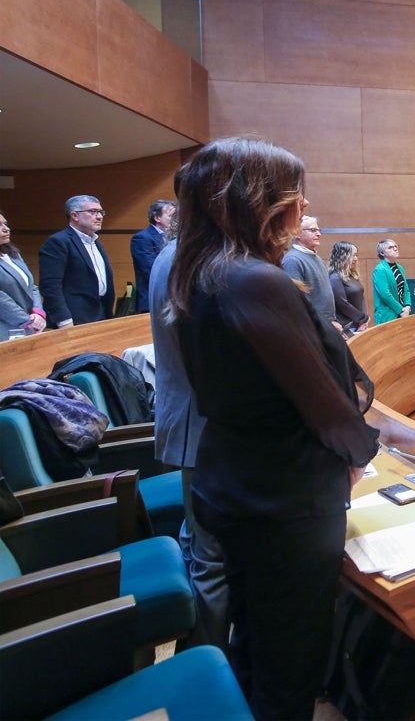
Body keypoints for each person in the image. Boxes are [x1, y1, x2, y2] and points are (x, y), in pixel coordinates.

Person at [165, 137, 380, 718]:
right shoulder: (254, 281)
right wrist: (361, 450)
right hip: (285, 498)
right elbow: (320, 397)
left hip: (235, 482)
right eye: (295, 193)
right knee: (291, 667)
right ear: (259, 201)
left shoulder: (201, 269)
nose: (303, 206)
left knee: (255, 644)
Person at [149, 230, 228, 653]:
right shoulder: (197, 262)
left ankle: (200, 648)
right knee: (211, 559)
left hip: (192, 425)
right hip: (203, 430)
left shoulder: (176, 253)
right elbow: (214, 366)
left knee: (198, 543)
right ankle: (210, 662)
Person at [37, 194, 114, 327]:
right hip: (73, 318)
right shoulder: (58, 242)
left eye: (101, 212)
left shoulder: (95, 242)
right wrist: (64, 320)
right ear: (75, 216)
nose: (100, 216)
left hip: (100, 314)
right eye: (93, 211)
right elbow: (50, 286)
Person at [282, 215, 339, 332]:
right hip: (313, 327)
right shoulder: (292, 260)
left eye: (318, 230)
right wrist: (325, 323)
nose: (319, 234)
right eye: (313, 230)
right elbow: (298, 302)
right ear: (297, 233)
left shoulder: (316, 257)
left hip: (327, 324)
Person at [0, 211, 48, 340]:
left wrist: (38, 313)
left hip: (28, 327)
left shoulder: (12, 255)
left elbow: (32, 286)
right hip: (5, 330)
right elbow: (1, 300)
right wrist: (27, 321)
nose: (6, 229)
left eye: (5, 224)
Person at [130, 199, 175, 313]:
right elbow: (152, 270)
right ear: (157, 218)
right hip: (153, 302)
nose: (176, 220)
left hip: (172, 300)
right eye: (171, 216)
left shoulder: (175, 238)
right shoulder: (142, 238)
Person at [328, 241, 369, 334]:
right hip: (348, 327)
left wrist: (364, 320)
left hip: (360, 324)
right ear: (343, 257)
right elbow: (342, 304)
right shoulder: (335, 277)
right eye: (353, 255)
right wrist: (362, 319)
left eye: (356, 255)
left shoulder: (352, 275)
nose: (356, 259)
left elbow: (361, 297)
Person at [373, 239, 411, 324]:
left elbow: (406, 289)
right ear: (382, 253)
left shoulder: (400, 268)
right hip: (388, 315)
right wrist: (400, 310)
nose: (395, 249)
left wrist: (407, 305)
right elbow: (385, 294)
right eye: (390, 247)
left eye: (395, 246)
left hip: (403, 312)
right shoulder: (380, 269)